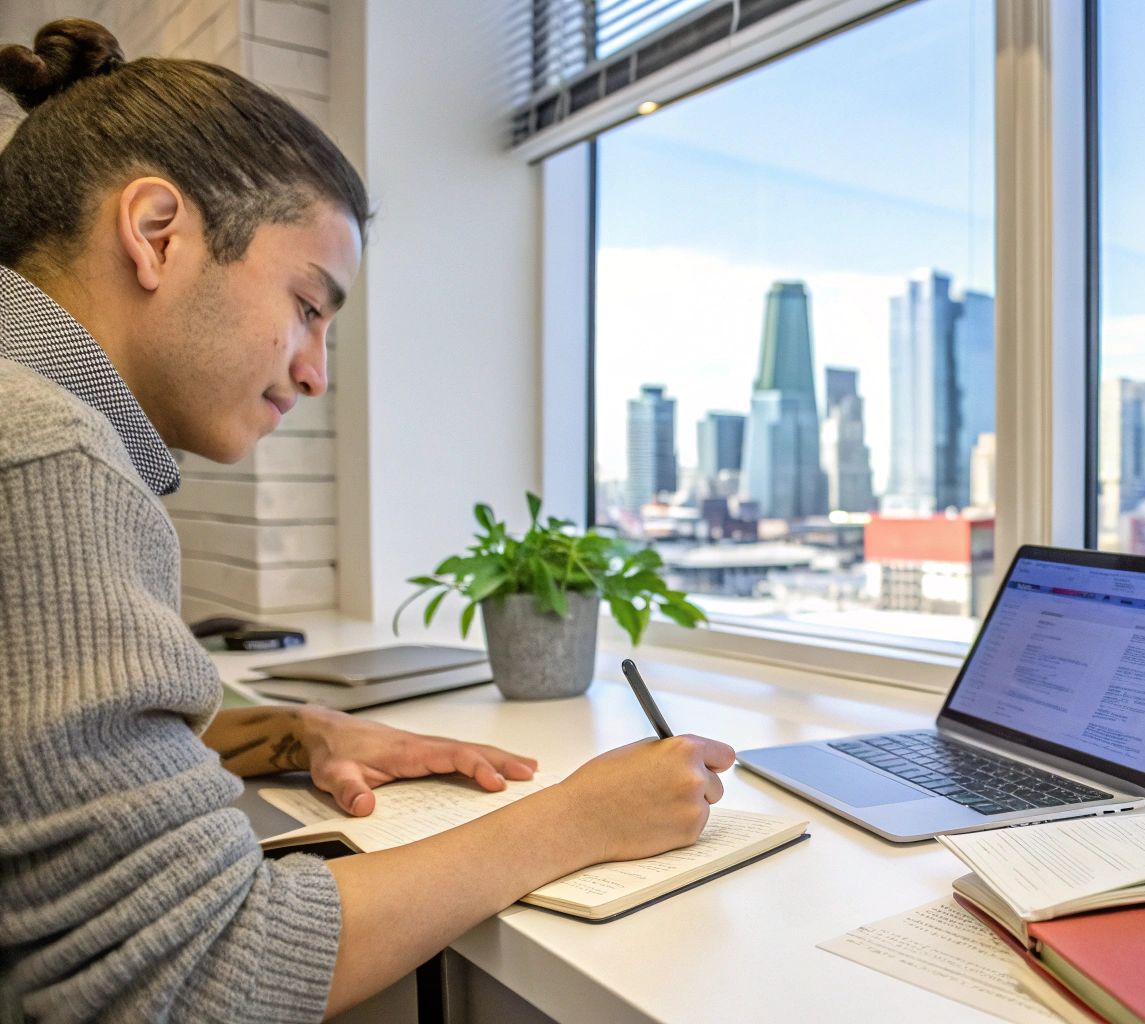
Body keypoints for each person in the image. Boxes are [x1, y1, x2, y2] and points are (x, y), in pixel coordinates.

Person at [0, 19, 735, 1022]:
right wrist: (574, 819)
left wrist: (282, 732)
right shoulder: (46, 452)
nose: (314, 371)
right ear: (157, 230)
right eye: (309, 305)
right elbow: (193, 976)